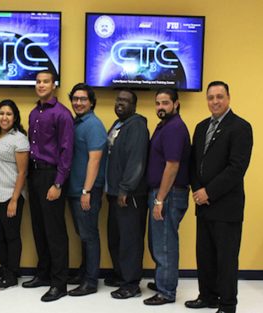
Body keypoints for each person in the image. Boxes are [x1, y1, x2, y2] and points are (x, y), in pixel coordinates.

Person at [187, 81, 254, 313]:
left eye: (219, 97)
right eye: (211, 97)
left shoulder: (240, 127)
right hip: (202, 204)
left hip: (226, 207)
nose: (215, 101)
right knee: (204, 255)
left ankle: (227, 305)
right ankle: (207, 296)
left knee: (226, 259)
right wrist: (197, 191)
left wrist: (209, 192)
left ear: (228, 98)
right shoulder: (200, 126)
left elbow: (236, 168)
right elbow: (193, 164)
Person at [22, 69, 74, 302]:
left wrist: (58, 183)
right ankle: (42, 274)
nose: (41, 85)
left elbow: (66, 152)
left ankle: (59, 283)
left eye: (46, 82)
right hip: (34, 175)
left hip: (51, 176)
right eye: (38, 82)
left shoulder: (62, 114)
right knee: (39, 228)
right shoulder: (34, 112)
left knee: (55, 232)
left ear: (54, 85)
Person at [143, 88, 192, 306]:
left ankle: (166, 291)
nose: (161, 107)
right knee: (159, 242)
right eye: (158, 103)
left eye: (165, 103)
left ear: (176, 104)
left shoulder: (174, 128)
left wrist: (160, 199)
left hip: (169, 194)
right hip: (162, 192)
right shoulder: (165, 126)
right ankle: (163, 280)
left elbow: (172, 166)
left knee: (165, 244)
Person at [104, 88, 150, 299]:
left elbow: (136, 160)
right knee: (116, 236)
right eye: (118, 100)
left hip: (129, 194)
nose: (120, 103)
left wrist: (125, 188)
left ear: (134, 105)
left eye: (125, 101)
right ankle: (121, 274)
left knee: (130, 239)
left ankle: (131, 284)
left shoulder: (137, 125)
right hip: (114, 192)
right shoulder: (118, 124)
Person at [0, 100, 30, 291]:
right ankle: (5, 269)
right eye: (1, 113)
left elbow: (22, 172)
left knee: (11, 236)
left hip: (9, 195)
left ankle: (11, 275)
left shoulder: (19, 139)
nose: (4, 117)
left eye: (9, 114)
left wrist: (14, 199)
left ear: (15, 117)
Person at [65, 83, 107, 297]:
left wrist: (86, 191)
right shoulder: (77, 123)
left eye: (83, 99)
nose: (78, 103)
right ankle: (84, 273)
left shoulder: (93, 125)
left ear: (91, 102)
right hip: (75, 190)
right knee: (83, 234)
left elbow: (95, 159)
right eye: (75, 99)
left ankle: (90, 282)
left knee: (89, 235)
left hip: (86, 191)